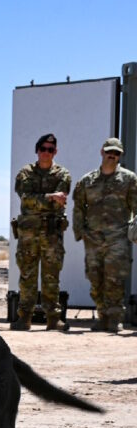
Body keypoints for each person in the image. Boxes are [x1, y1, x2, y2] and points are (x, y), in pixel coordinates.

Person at [72, 137, 137, 332]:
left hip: (118, 238)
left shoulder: (129, 179)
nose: (112, 155)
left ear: (120, 156)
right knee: (95, 278)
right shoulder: (87, 181)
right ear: (102, 152)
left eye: (116, 153)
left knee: (115, 279)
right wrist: (80, 232)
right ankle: (102, 316)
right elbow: (78, 208)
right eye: (109, 151)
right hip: (93, 239)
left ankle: (115, 318)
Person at [12, 133, 72, 331]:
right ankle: (24, 317)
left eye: (50, 150)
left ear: (55, 152)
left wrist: (41, 199)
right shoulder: (25, 173)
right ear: (37, 150)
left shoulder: (63, 174)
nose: (46, 153)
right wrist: (50, 197)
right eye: (43, 149)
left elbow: (60, 198)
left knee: (51, 276)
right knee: (27, 275)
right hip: (28, 233)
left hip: (52, 233)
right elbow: (25, 198)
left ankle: (53, 318)